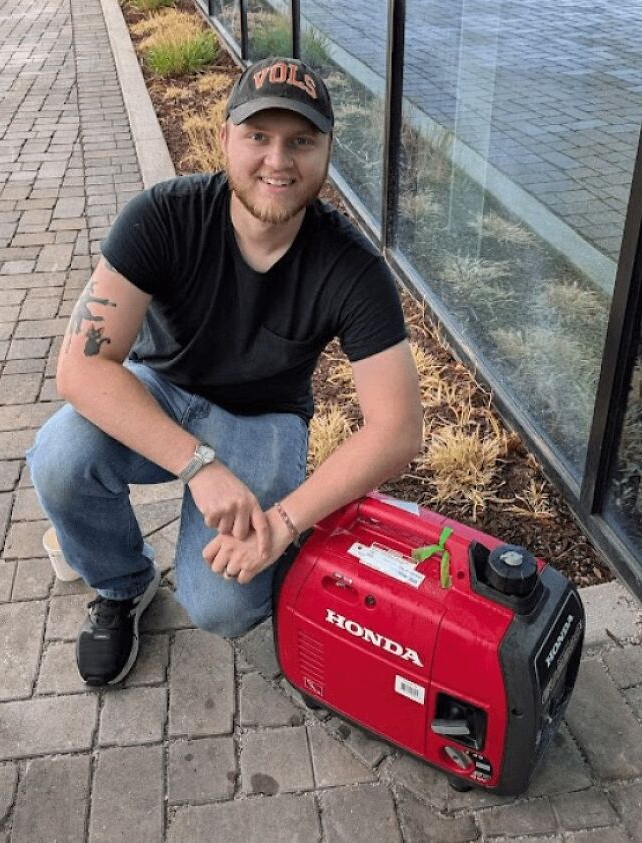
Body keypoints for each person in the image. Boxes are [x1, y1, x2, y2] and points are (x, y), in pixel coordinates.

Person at [27, 56, 423, 687]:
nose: (277, 161)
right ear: (225, 139)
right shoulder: (163, 216)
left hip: (263, 420)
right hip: (160, 389)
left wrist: (285, 522)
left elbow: (397, 429)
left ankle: (272, 544)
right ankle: (123, 585)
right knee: (59, 458)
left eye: (301, 141)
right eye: (258, 135)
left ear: (328, 151)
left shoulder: (352, 267)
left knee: (223, 607)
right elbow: (80, 369)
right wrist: (199, 466)